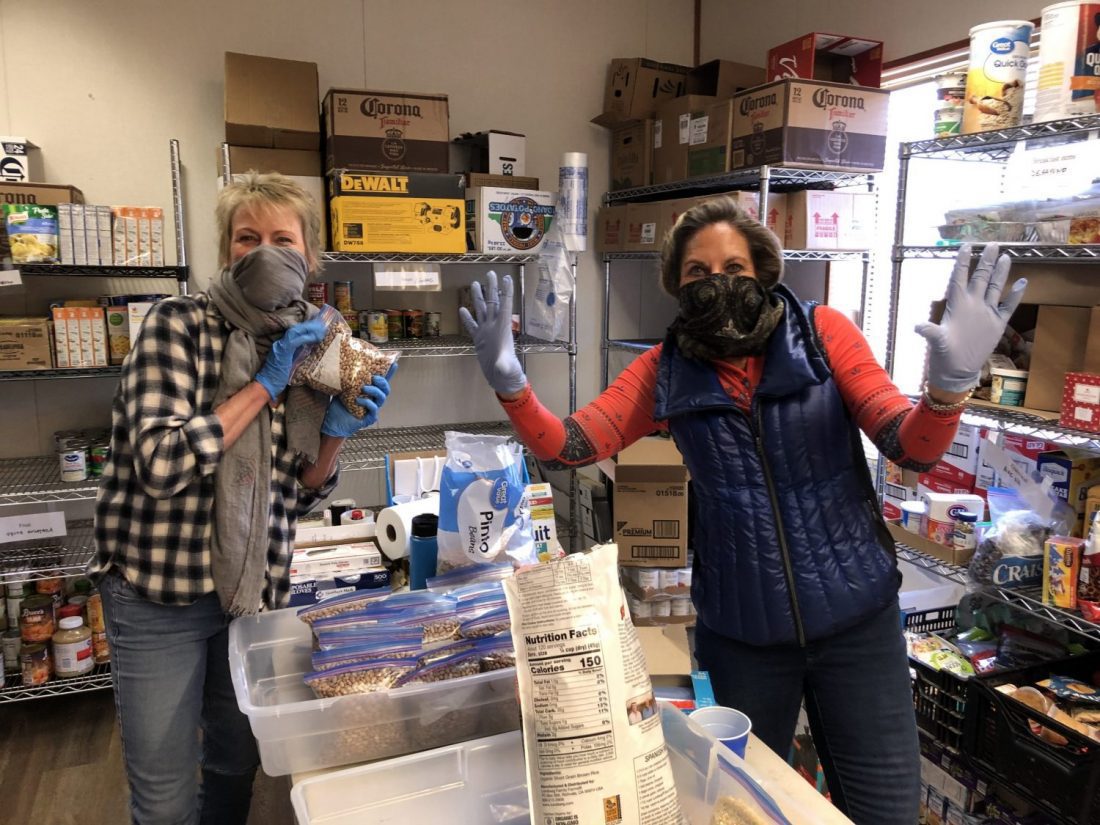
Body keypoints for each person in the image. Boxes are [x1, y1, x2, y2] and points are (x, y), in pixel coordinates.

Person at [460, 196, 1025, 824]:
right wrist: (512, 386)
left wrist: (948, 390)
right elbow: (570, 445)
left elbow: (908, 445)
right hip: (744, 636)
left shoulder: (822, 334)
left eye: (734, 265)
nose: (718, 281)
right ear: (678, 286)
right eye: (698, 272)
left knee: (886, 811)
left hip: (857, 623)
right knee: (747, 809)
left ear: (763, 270)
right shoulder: (665, 370)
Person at [88, 172, 395, 825]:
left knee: (234, 763)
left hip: (252, 595)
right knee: (166, 797)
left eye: (283, 239)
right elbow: (160, 462)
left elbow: (297, 494)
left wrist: (336, 435)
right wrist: (263, 383)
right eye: (246, 237)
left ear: (309, 258)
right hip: (156, 592)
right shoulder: (176, 326)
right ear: (225, 251)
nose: (264, 251)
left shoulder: (320, 341)